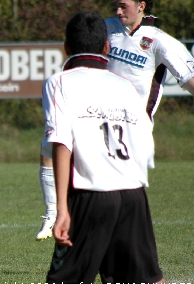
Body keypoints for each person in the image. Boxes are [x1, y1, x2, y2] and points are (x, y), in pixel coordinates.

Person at [35, 0, 194, 242]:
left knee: (109, 197)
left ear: (141, 5)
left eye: (124, 6)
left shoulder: (159, 40)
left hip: (130, 126)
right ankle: (54, 213)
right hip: (93, 115)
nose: (118, 11)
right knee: (53, 145)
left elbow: (188, 78)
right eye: (116, 6)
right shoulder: (106, 28)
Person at [45, 12, 175, 284]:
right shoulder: (124, 85)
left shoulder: (59, 82)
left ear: (65, 48)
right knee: (150, 283)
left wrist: (61, 209)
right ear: (106, 47)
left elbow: (61, 143)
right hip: (133, 194)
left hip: (91, 192)